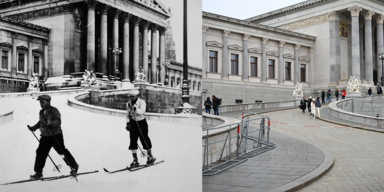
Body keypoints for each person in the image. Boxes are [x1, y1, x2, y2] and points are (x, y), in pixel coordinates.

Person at [27, 95, 79, 180]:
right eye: (40, 103)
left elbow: (58, 121)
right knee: (40, 153)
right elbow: (40, 122)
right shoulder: (41, 112)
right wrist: (33, 128)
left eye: (43, 102)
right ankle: (38, 173)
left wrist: (51, 122)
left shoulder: (54, 110)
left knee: (62, 152)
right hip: (45, 136)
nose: (41, 104)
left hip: (55, 136)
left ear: (48, 102)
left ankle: (74, 166)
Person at [125, 89, 155, 168]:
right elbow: (128, 114)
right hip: (133, 123)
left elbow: (142, 111)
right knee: (133, 140)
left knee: (144, 139)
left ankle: (150, 157)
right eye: (130, 96)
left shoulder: (142, 102)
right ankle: (135, 160)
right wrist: (128, 123)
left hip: (141, 122)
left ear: (137, 96)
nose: (131, 98)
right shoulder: (128, 103)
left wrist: (135, 109)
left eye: (133, 96)